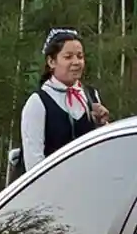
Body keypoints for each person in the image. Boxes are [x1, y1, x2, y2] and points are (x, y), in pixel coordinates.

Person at [16, 28, 111, 175]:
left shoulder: (91, 95)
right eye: (68, 57)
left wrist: (101, 124)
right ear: (51, 62)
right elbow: (34, 162)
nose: (76, 62)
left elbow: (98, 148)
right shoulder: (38, 102)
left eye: (80, 56)